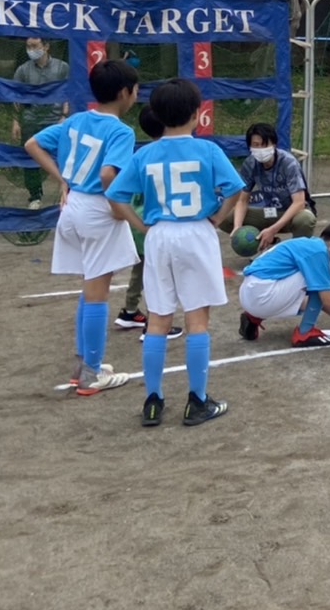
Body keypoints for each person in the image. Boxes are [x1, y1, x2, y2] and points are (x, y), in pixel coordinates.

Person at [106, 78, 244, 427]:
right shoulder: (208, 150)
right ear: (197, 113)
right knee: (197, 319)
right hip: (196, 232)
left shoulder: (145, 153)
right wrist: (217, 217)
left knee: (158, 318)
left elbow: (116, 195)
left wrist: (142, 226)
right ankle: (197, 400)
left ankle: (153, 400)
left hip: (160, 235)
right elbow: (234, 188)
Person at [25, 59, 141, 397]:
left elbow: (32, 144)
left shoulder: (76, 120)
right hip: (97, 210)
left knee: (90, 287)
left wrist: (63, 179)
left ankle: (85, 364)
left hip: (74, 206)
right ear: (125, 93)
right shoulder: (121, 131)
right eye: (135, 90)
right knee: (98, 292)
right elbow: (107, 174)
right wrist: (117, 207)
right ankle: (91, 372)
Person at [112, 106, 184, 342]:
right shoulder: (167, 155)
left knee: (142, 270)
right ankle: (153, 324)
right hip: (155, 224)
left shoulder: (140, 155)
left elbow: (119, 191)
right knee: (160, 277)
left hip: (137, 222)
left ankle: (130, 310)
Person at [238, 222, 330, 348]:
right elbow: (327, 300)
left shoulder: (308, 244)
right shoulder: (318, 252)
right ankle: (305, 332)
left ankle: (253, 317)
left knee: (314, 291)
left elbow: (321, 303)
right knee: (324, 275)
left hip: (249, 293)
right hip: (262, 295)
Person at [229, 122, 316, 249]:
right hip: (269, 211)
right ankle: (266, 244)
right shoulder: (250, 163)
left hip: (291, 213)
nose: (260, 149)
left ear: (274, 144)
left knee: (305, 219)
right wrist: (237, 227)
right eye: (256, 145)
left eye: (265, 145)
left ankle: (297, 250)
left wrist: (273, 229)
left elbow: (299, 202)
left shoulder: (288, 163)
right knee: (228, 216)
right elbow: (242, 200)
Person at [11, 37, 71, 209]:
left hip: (56, 120)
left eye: (35, 46)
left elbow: (68, 92)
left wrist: (64, 115)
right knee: (30, 159)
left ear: (46, 46)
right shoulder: (23, 70)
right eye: (28, 46)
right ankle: (35, 196)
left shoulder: (62, 67)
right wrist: (16, 121)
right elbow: (15, 97)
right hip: (31, 120)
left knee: (64, 157)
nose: (31, 50)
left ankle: (66, 192)